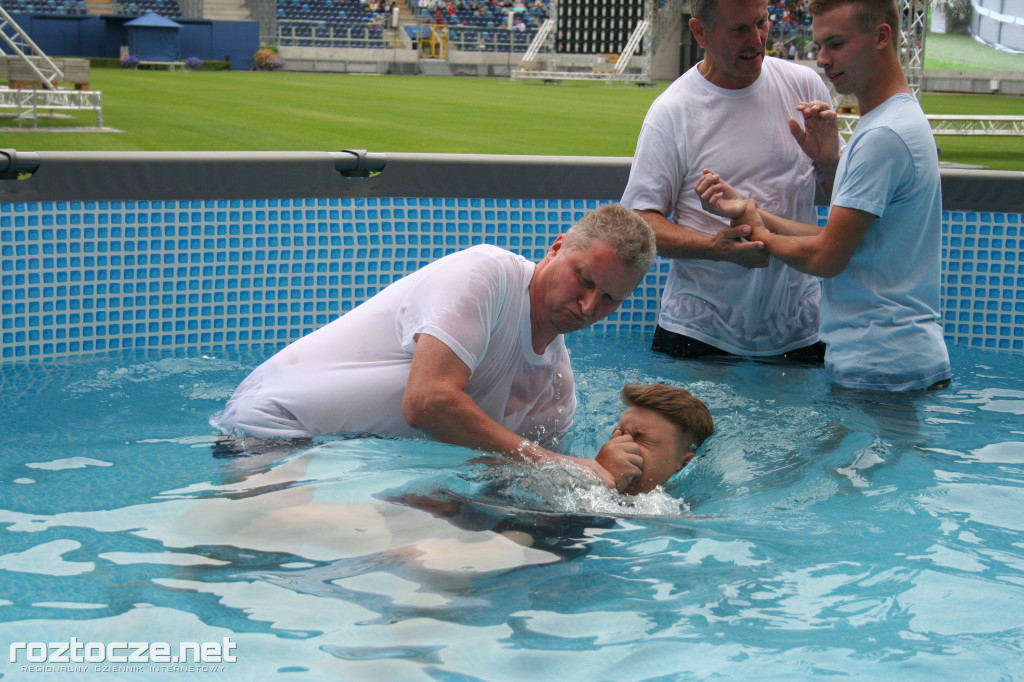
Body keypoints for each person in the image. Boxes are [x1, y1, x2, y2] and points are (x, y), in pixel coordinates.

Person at [211, 204, 657, 491]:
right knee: (253, 544)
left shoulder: (555, 390)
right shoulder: (485, 277)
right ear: (555, 249)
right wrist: (563, 464)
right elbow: (427, 402)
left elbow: (508, 477)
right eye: (584, 279)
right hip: (270, 428)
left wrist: (597, 479)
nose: (588, 305)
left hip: (344, 457)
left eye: (611, 299)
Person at [694, 0, 951, 391]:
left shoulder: (882, 137)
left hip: (880, 366)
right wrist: (750, 212)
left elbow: (826, 257)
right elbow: (835, 238)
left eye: (836, 44)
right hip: (897, 359)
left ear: (881, 36)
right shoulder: (893, 121)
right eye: (819, 47)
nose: (824, 60)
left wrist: (759, 237)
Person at [621, 0, 840, 361]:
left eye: (762, 22)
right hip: (699, 333)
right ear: (700, 32)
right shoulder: (673, 111)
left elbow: (842, 201)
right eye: (739, 29)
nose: (756, 39)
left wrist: (829, 163)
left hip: (799, 329)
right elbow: (639, 222)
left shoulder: (804, 86)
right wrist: (712, 248)